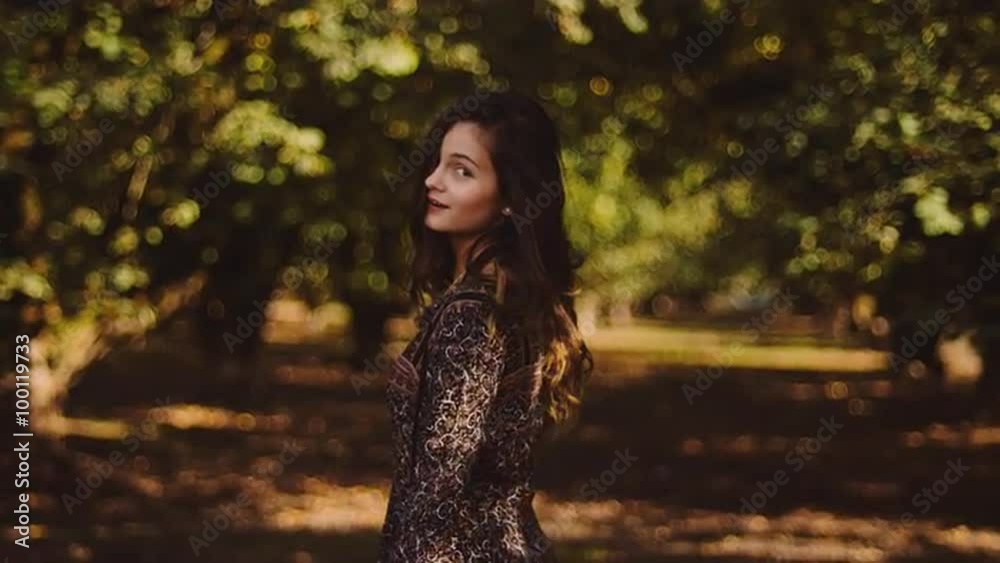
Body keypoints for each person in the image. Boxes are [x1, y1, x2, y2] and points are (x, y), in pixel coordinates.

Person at [377, 90, 593, 562]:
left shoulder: (472, 315)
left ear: (509, 200)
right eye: (438, 163)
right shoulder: (509, 299)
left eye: (462, 171)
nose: (432, 180)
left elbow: (438, 489)